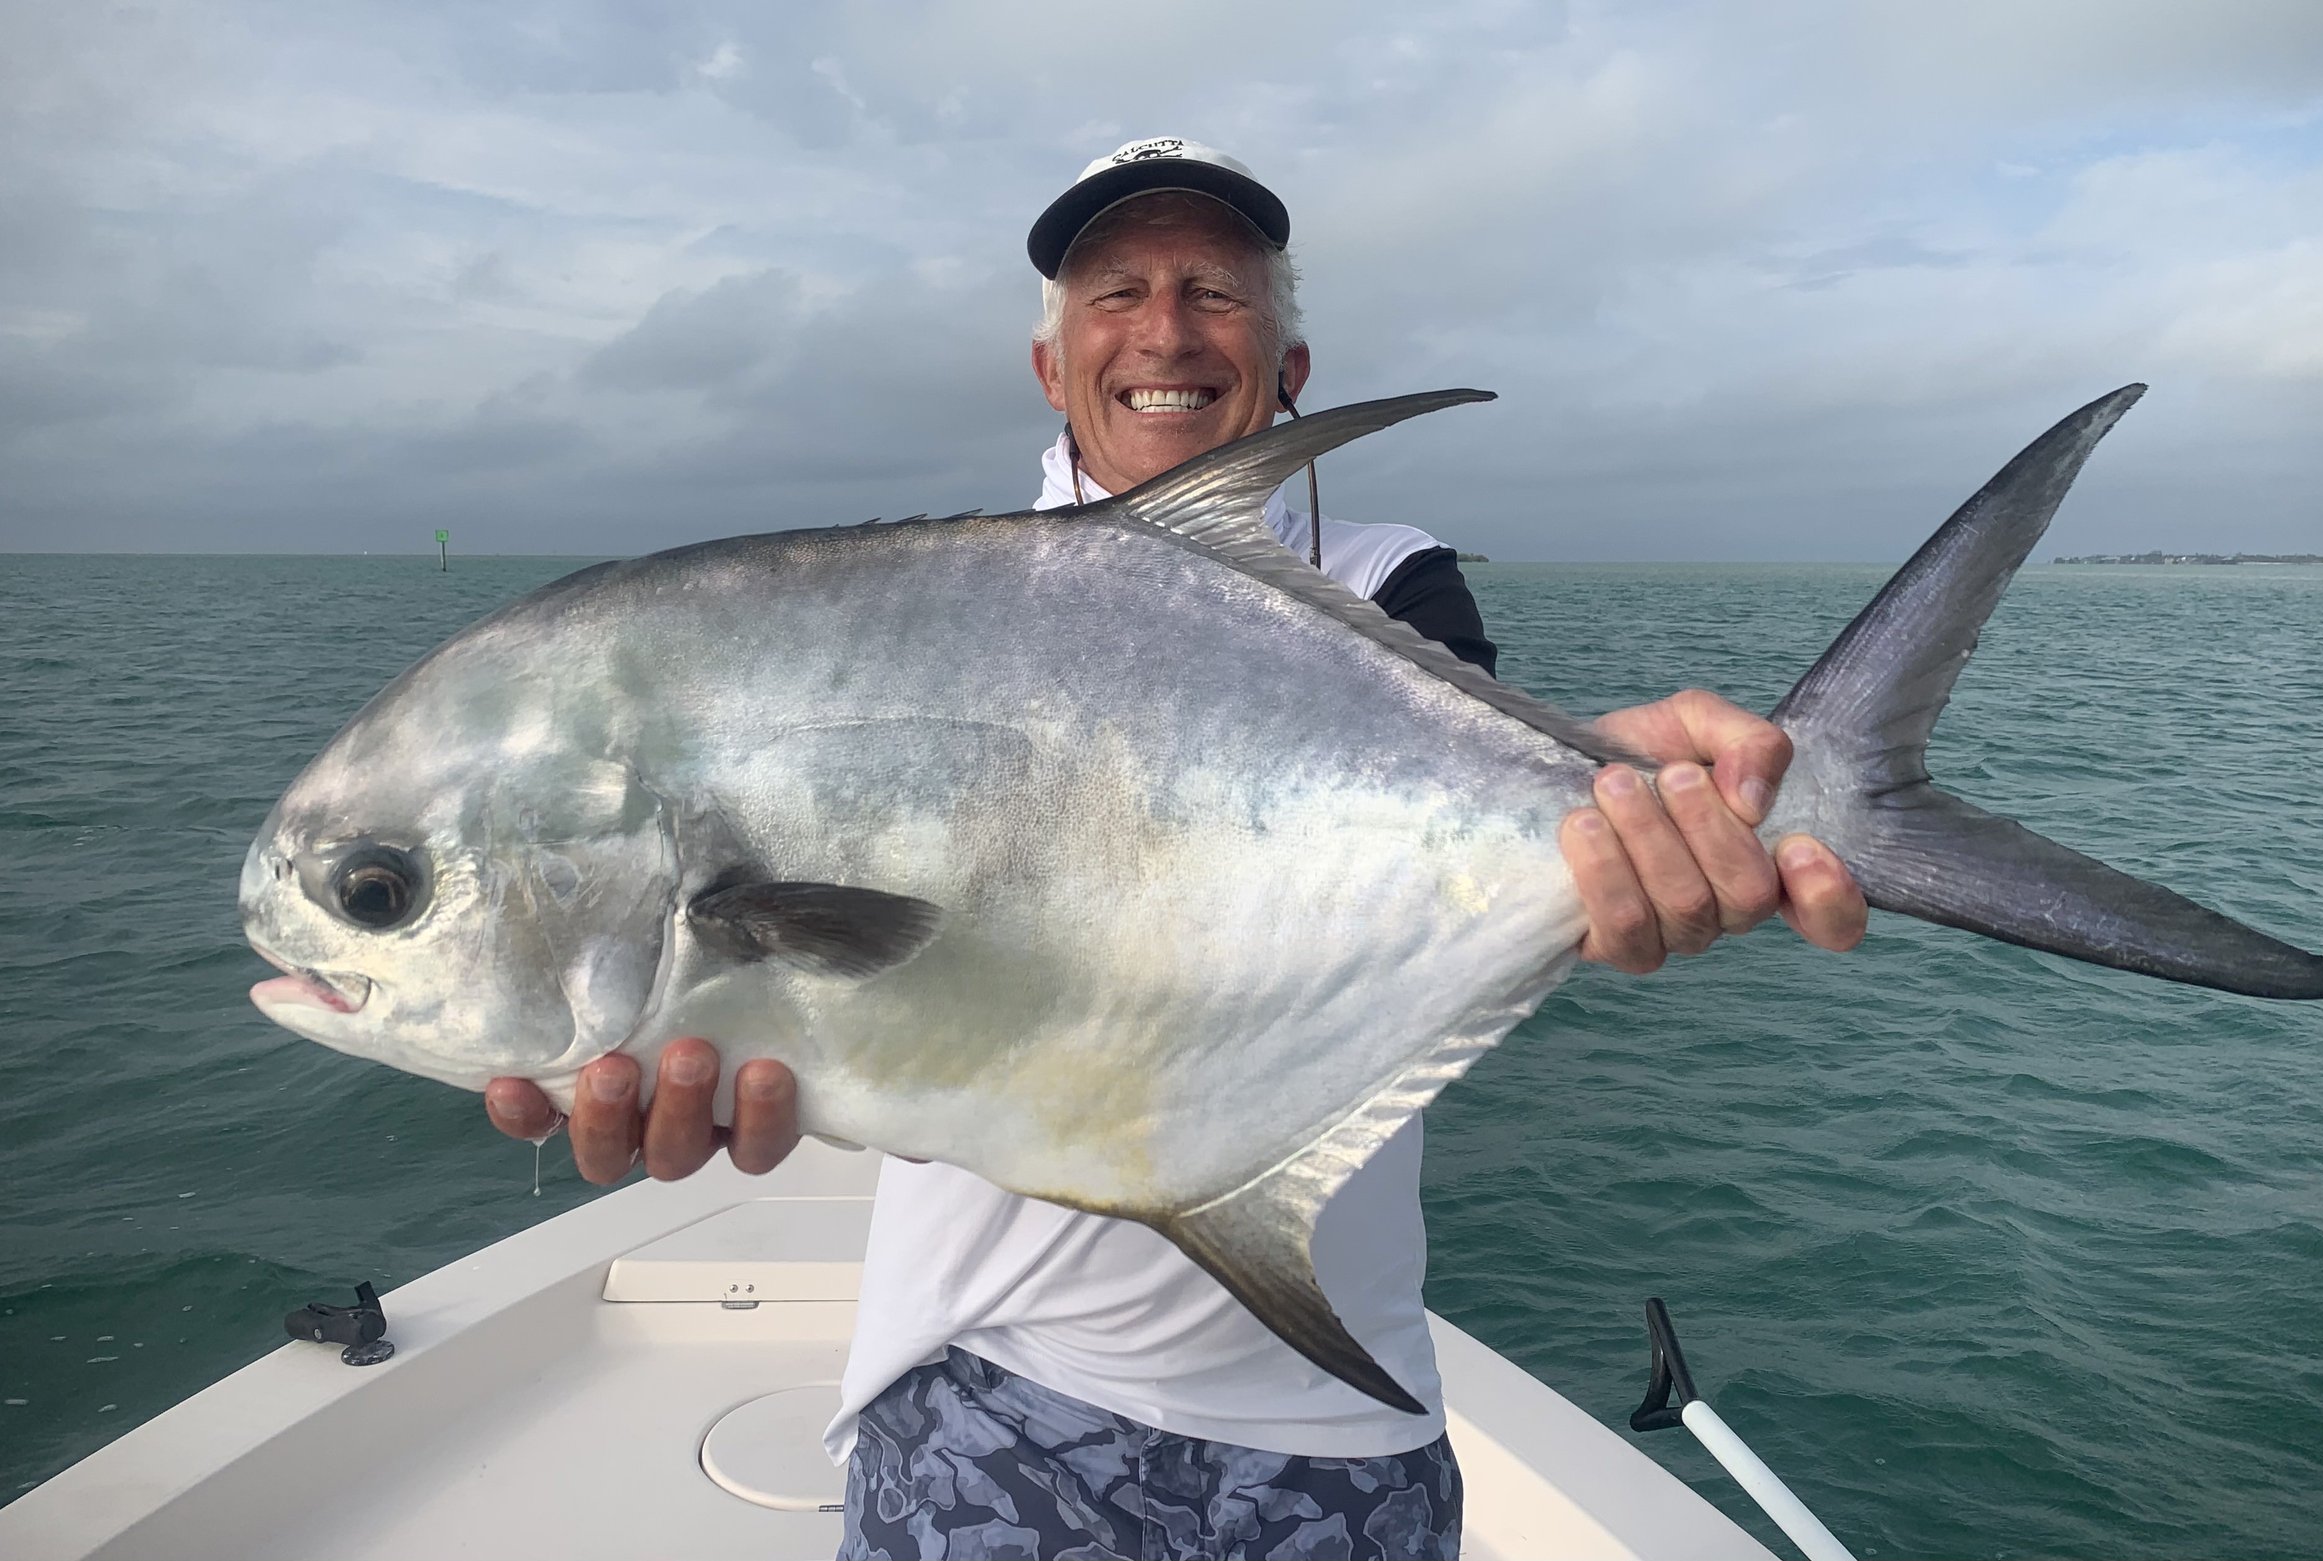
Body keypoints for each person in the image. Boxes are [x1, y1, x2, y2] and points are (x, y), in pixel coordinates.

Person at [487, 138, 1867, 1560]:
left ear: (1290, 365)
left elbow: (1435, 783)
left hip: (1337, 1426)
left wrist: (1625, 819)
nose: (1164, 331)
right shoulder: (930, 605)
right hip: (986, 1379)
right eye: (1116, 291)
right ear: (1049, 368)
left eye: (1214, 290)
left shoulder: (1388, 578)